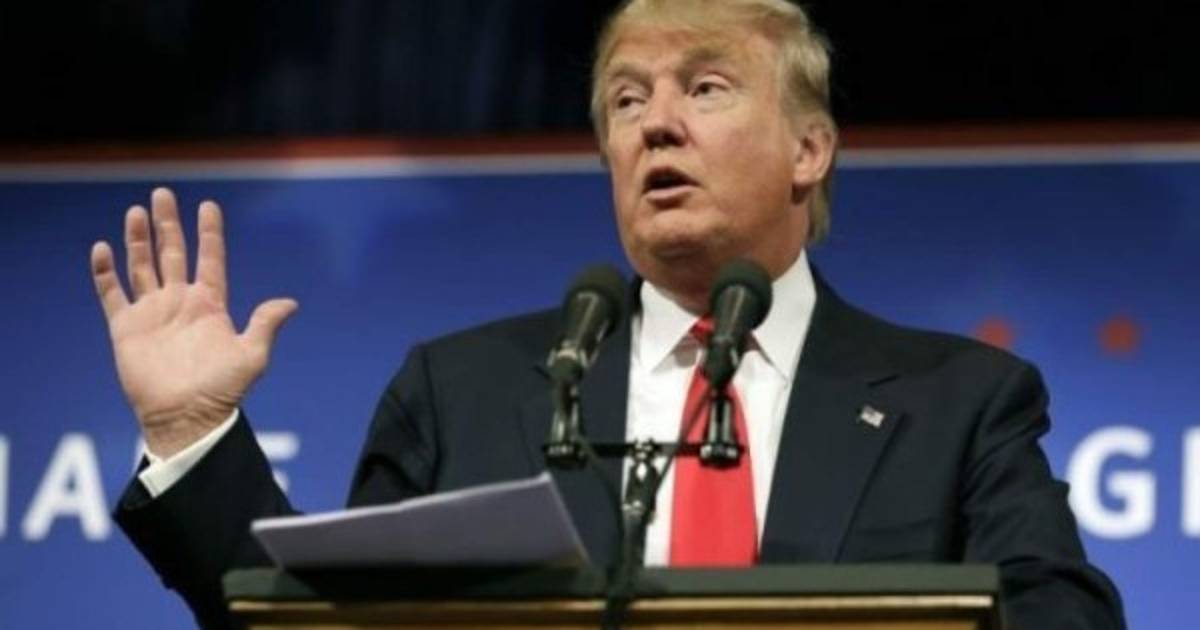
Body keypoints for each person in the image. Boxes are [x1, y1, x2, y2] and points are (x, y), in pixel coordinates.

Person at [90, 0, 1125, 628]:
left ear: (810, 150)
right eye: (627, 101)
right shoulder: (463, 393)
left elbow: (1062, 618)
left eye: (705, 88)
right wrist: (193, 437)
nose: (656, 123)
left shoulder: (958, 402)